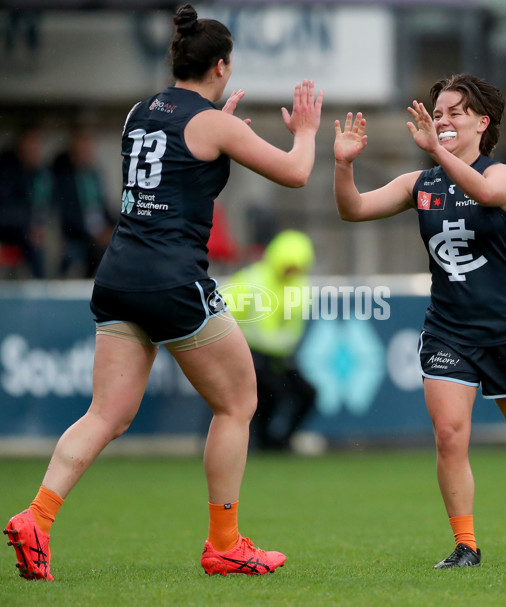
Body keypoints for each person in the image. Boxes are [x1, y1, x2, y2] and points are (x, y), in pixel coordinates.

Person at [5, 4, 322, 580]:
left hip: (118, 274)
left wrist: (219, 133)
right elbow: (296, 172)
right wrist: (305, 132)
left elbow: (180, 169)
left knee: (105, 414)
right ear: (222, 66)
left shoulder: (137, 113)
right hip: (171, 279)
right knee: (237, 402)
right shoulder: (213, 124)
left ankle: (37, 517)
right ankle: (224, 543)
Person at [333, 73, 506, 568]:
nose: (442, 120)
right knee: (449, 434)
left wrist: (437, 152)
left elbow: (488, 196)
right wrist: (342, 165)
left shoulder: (502, 175)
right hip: (448, 329)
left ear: (482, 122)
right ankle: (466, 545)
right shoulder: (419, 184)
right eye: (438, 112)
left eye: (454, 113)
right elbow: (354, 210)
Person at [226, 230, 317, 451]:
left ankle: (280, 442)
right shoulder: (251, 280)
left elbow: (291, 329)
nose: (292, 271)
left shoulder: (300, 285)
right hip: (249, 354)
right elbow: (221, 311)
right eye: (289, 266)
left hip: (280, 358)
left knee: (307, 393)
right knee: (270, 391)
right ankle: (261, 442)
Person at [50, 127, 115, 278]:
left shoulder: (95, 174)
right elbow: (67, 214)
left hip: (99, 232)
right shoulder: (64, 177)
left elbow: (104, 207)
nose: (86, 152)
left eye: (88, 147)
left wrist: (112, 227)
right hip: (77, 235)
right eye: (82, 148)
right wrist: (93, 233)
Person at [0, 125, 50, 278]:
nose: (34, 149)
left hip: (30, 231)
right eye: (30, 143)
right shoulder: (7, 171)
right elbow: (6, 211)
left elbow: (46, 206)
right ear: (20, 145)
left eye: (37, 144)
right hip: (10, 232)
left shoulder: (40, 174)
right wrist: (29, 227)